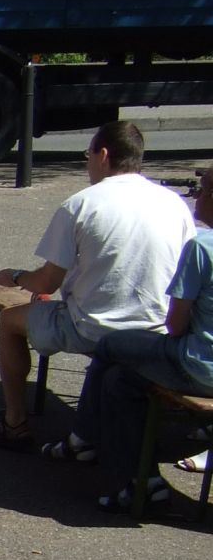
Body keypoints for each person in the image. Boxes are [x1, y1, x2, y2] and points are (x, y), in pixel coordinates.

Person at [0, 121, 193, 450]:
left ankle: (15, 422)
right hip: (156, 328)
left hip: (93, 327)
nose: (87, 163)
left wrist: (18, 276)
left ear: (103, 155)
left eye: (87, 155)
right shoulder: (174, 204)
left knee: (9, 321)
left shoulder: (81, 204)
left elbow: (48, 281)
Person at [77, 165, 213, 511]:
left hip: (198, 363)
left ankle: (85, 438)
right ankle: (141, 480)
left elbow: (177, 324)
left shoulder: (202, 247)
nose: (196, 197)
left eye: (200, 190)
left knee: (111, 346)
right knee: (119, 380)